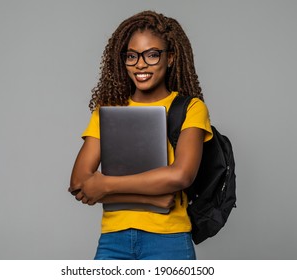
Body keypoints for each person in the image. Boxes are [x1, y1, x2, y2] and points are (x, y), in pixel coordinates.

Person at [69, 10, 212, 260]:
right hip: (114, 239)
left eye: (152, 55)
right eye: (132, 56)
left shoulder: (190, 108)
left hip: (169, 240)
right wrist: (154, 200)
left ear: (170, 58)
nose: (140, 64)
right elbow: (80, 183)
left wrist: (107, 185)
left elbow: (180, 175)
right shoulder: (108, 110)